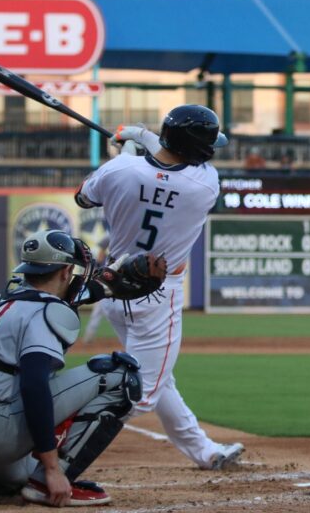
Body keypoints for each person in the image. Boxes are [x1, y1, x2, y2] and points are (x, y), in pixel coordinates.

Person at [80, 106, 245, 471]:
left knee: (159, 379)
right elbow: (165, 169)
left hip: (114, 290)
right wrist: (134, 140)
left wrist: (125, 151)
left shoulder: (120, 170)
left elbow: (84, 197)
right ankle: (49, 450)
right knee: (140, 395)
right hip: (158, 296)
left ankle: (205, 450)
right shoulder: (205, 184)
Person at [0, 230, 144, 507]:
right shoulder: (44, 311)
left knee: (19, 472)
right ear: (66, 271)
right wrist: (51, 467)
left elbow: (60, 297)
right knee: (122, 375)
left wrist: (101, 287)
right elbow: (33, 386)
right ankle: (48, 479)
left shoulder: (2, 301)